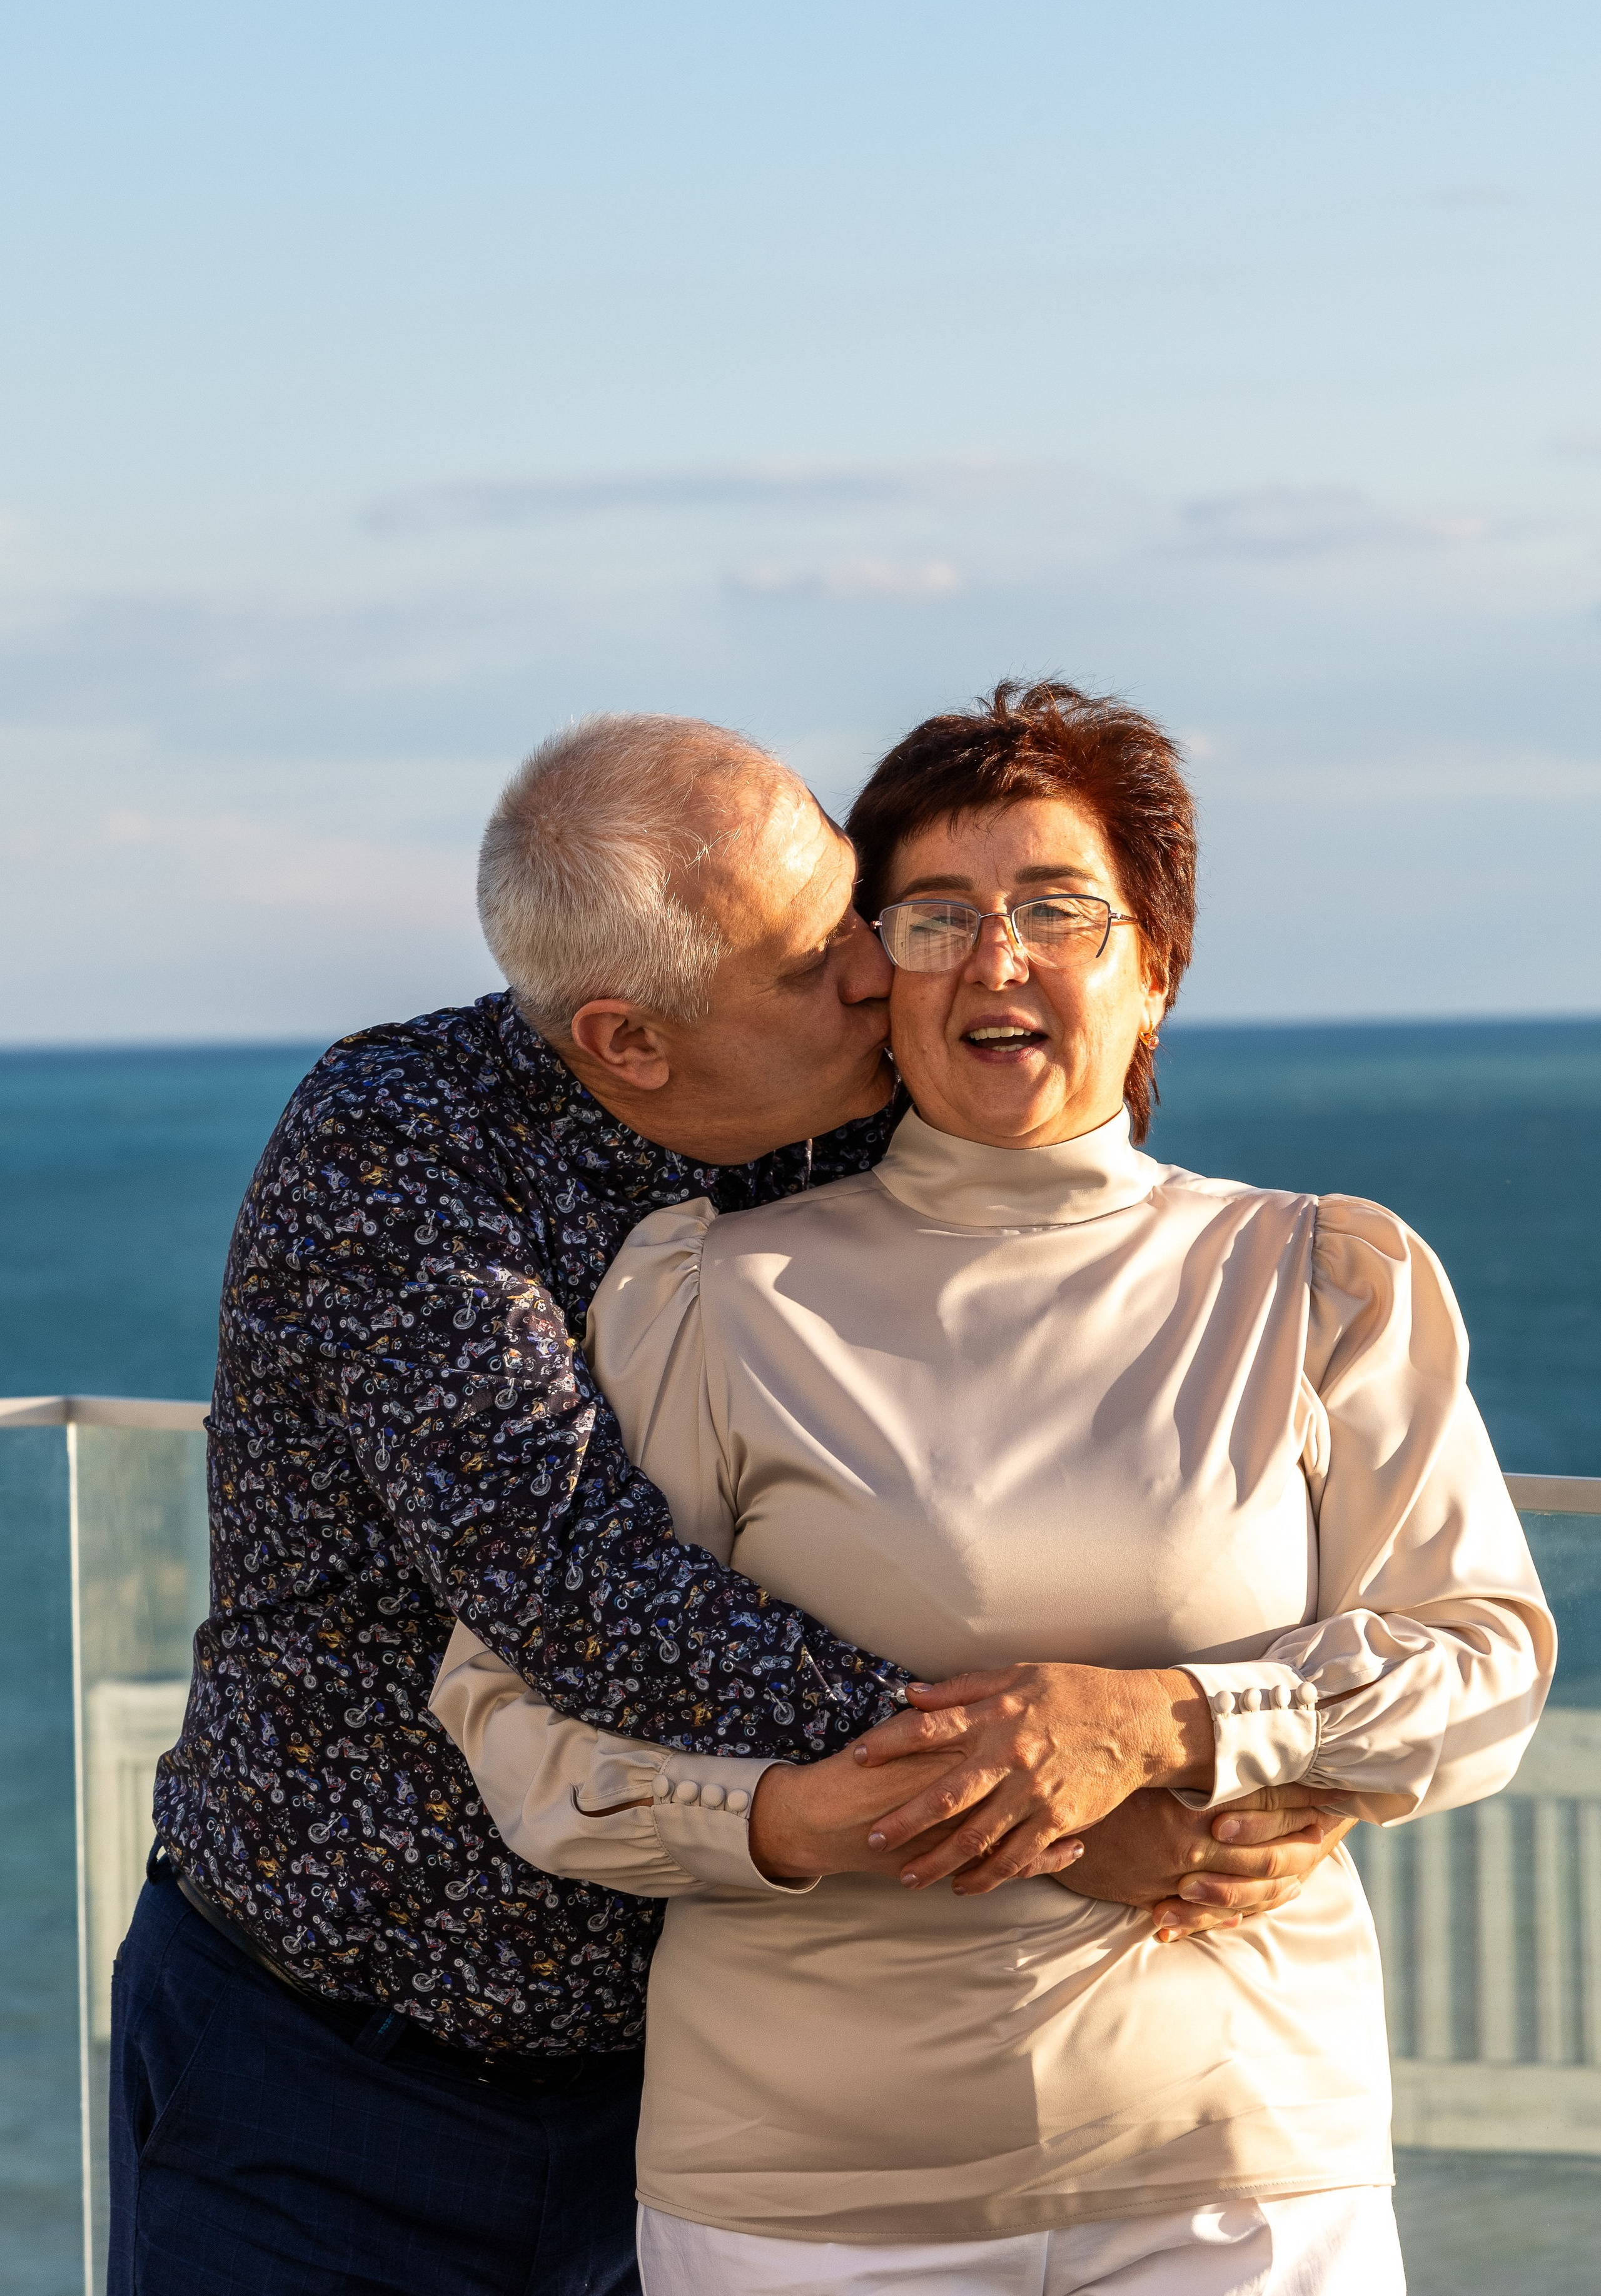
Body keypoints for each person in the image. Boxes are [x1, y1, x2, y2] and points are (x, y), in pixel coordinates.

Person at [112, 711, 1341, 2296]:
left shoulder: (854, 1122)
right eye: (805, 962)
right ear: (632, 1040)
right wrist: (1052, 1801)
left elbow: (1059, 1354)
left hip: (694, 2109)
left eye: (851, 916)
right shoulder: (400, 1142)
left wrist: (1196, 1722)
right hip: (327, 2073)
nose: (868, 975)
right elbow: (584, 1591)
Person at [435, 682, 1555, 2296]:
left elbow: (1484, 1666)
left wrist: (1166, 1721)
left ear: (1154, 969)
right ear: (872, 976)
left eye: (1055, 908)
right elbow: (512, 1721)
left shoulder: (1321, 1279)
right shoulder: (704, 1296)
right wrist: (791, 1819)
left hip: (1236, 2178)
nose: (996, 956)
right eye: (936, 915)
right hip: (795, 2202)